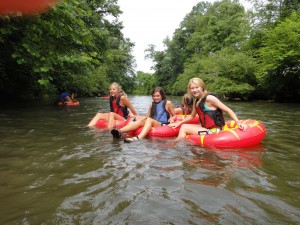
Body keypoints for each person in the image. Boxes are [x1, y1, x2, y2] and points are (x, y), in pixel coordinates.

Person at [170, 78, 247, 142]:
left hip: (215, 131)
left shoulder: (209, 98)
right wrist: (179, 123)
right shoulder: (196, 100)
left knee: (184, 128)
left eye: (197, 87)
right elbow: (192, 116)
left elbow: (228, 110)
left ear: (202, 87)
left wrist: (238, 122)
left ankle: (176, 144)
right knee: (184, 126)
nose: (195, 90)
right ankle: (180, 142)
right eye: (192, 88)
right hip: (207, 128)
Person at [111, 87, 177, 143]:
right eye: (154, 96)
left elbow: (174, 115)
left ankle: (138, 137)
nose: (156, 98)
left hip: (162, 124)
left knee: (149, 120)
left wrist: (172, 118)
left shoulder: (168, 103)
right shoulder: (152, 105)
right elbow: (147, 116)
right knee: (140, 121)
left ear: (162, 96)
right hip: (153, 121)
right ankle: (120, 131)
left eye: (158, 96)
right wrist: (138, 118)